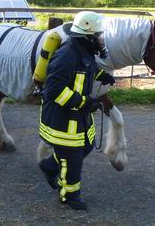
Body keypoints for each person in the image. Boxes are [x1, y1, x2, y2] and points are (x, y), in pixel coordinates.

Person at [37, 11, 115, 210]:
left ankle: (50, 165)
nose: (101, 39)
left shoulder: (83, 51)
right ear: (87, 36)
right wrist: (84, 102)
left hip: (77, 117)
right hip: (63, 120)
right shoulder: (66, 55)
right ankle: (69, 196)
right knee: (72, 160)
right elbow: (54, 90)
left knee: (87, 146)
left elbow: (85, 68)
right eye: (98, 35)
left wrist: (101, 75)